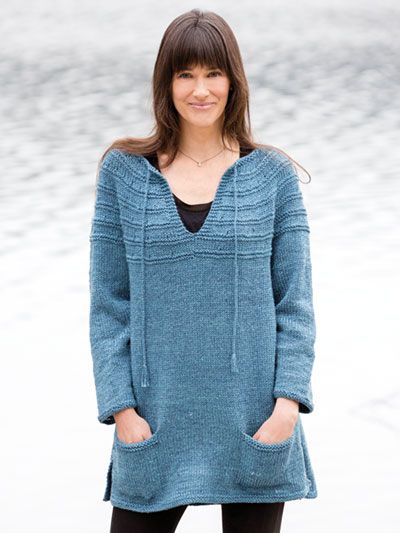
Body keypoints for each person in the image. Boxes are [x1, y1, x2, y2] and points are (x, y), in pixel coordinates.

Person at [89, 8, 317, 533]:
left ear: (233, 81)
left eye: (213, 73)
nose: (201, 90)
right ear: (165, 82)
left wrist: (287, 408)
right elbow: (108, 306)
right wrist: (122, 410)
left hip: (256, 424)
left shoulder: (274, 178)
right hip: (154, 424)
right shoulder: (124, 174)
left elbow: (295, 305)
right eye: (185, 74)